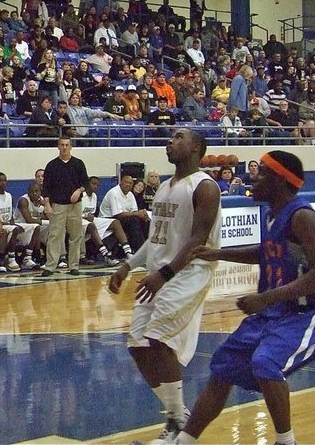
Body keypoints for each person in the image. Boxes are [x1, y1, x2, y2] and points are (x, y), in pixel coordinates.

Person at [176, 151, 315, 445]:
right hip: (273, 314)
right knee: (224, 364)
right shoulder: (272, 215)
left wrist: (266, 298)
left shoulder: (302, 217)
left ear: (280, 179)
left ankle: (286, 442)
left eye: (261, 172)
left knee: (265, 361)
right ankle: (183, 441)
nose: (253, 177)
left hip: (307, 314)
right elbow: (265, 253)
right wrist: (216, 253)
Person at [108, 128, 222, 445]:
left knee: (159, 338)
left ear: (196, 148)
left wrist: (165, 274)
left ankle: (175, 425)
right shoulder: (162, 189)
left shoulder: (205, 187)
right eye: (170, 137)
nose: (170, 141)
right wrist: (128, 265)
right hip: (159, 272)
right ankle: (178, 416)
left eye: (179, 137)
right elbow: (155, 239)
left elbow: (198, 240)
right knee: (138, 345)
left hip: (189, 271)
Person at [41, 136, 88, 277]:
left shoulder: (78, 163)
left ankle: (73, 265)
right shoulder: (52, 165)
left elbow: (85, 183)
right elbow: (46, 188)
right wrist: (47, 205)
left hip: (75, 206)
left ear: (71, 147)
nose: (64, 147)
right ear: (58, 146)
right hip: (58, 205)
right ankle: (50, 266)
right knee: (55, 235)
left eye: (67, 145)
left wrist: (79, 190)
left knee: (76, 236)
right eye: (62, 145)